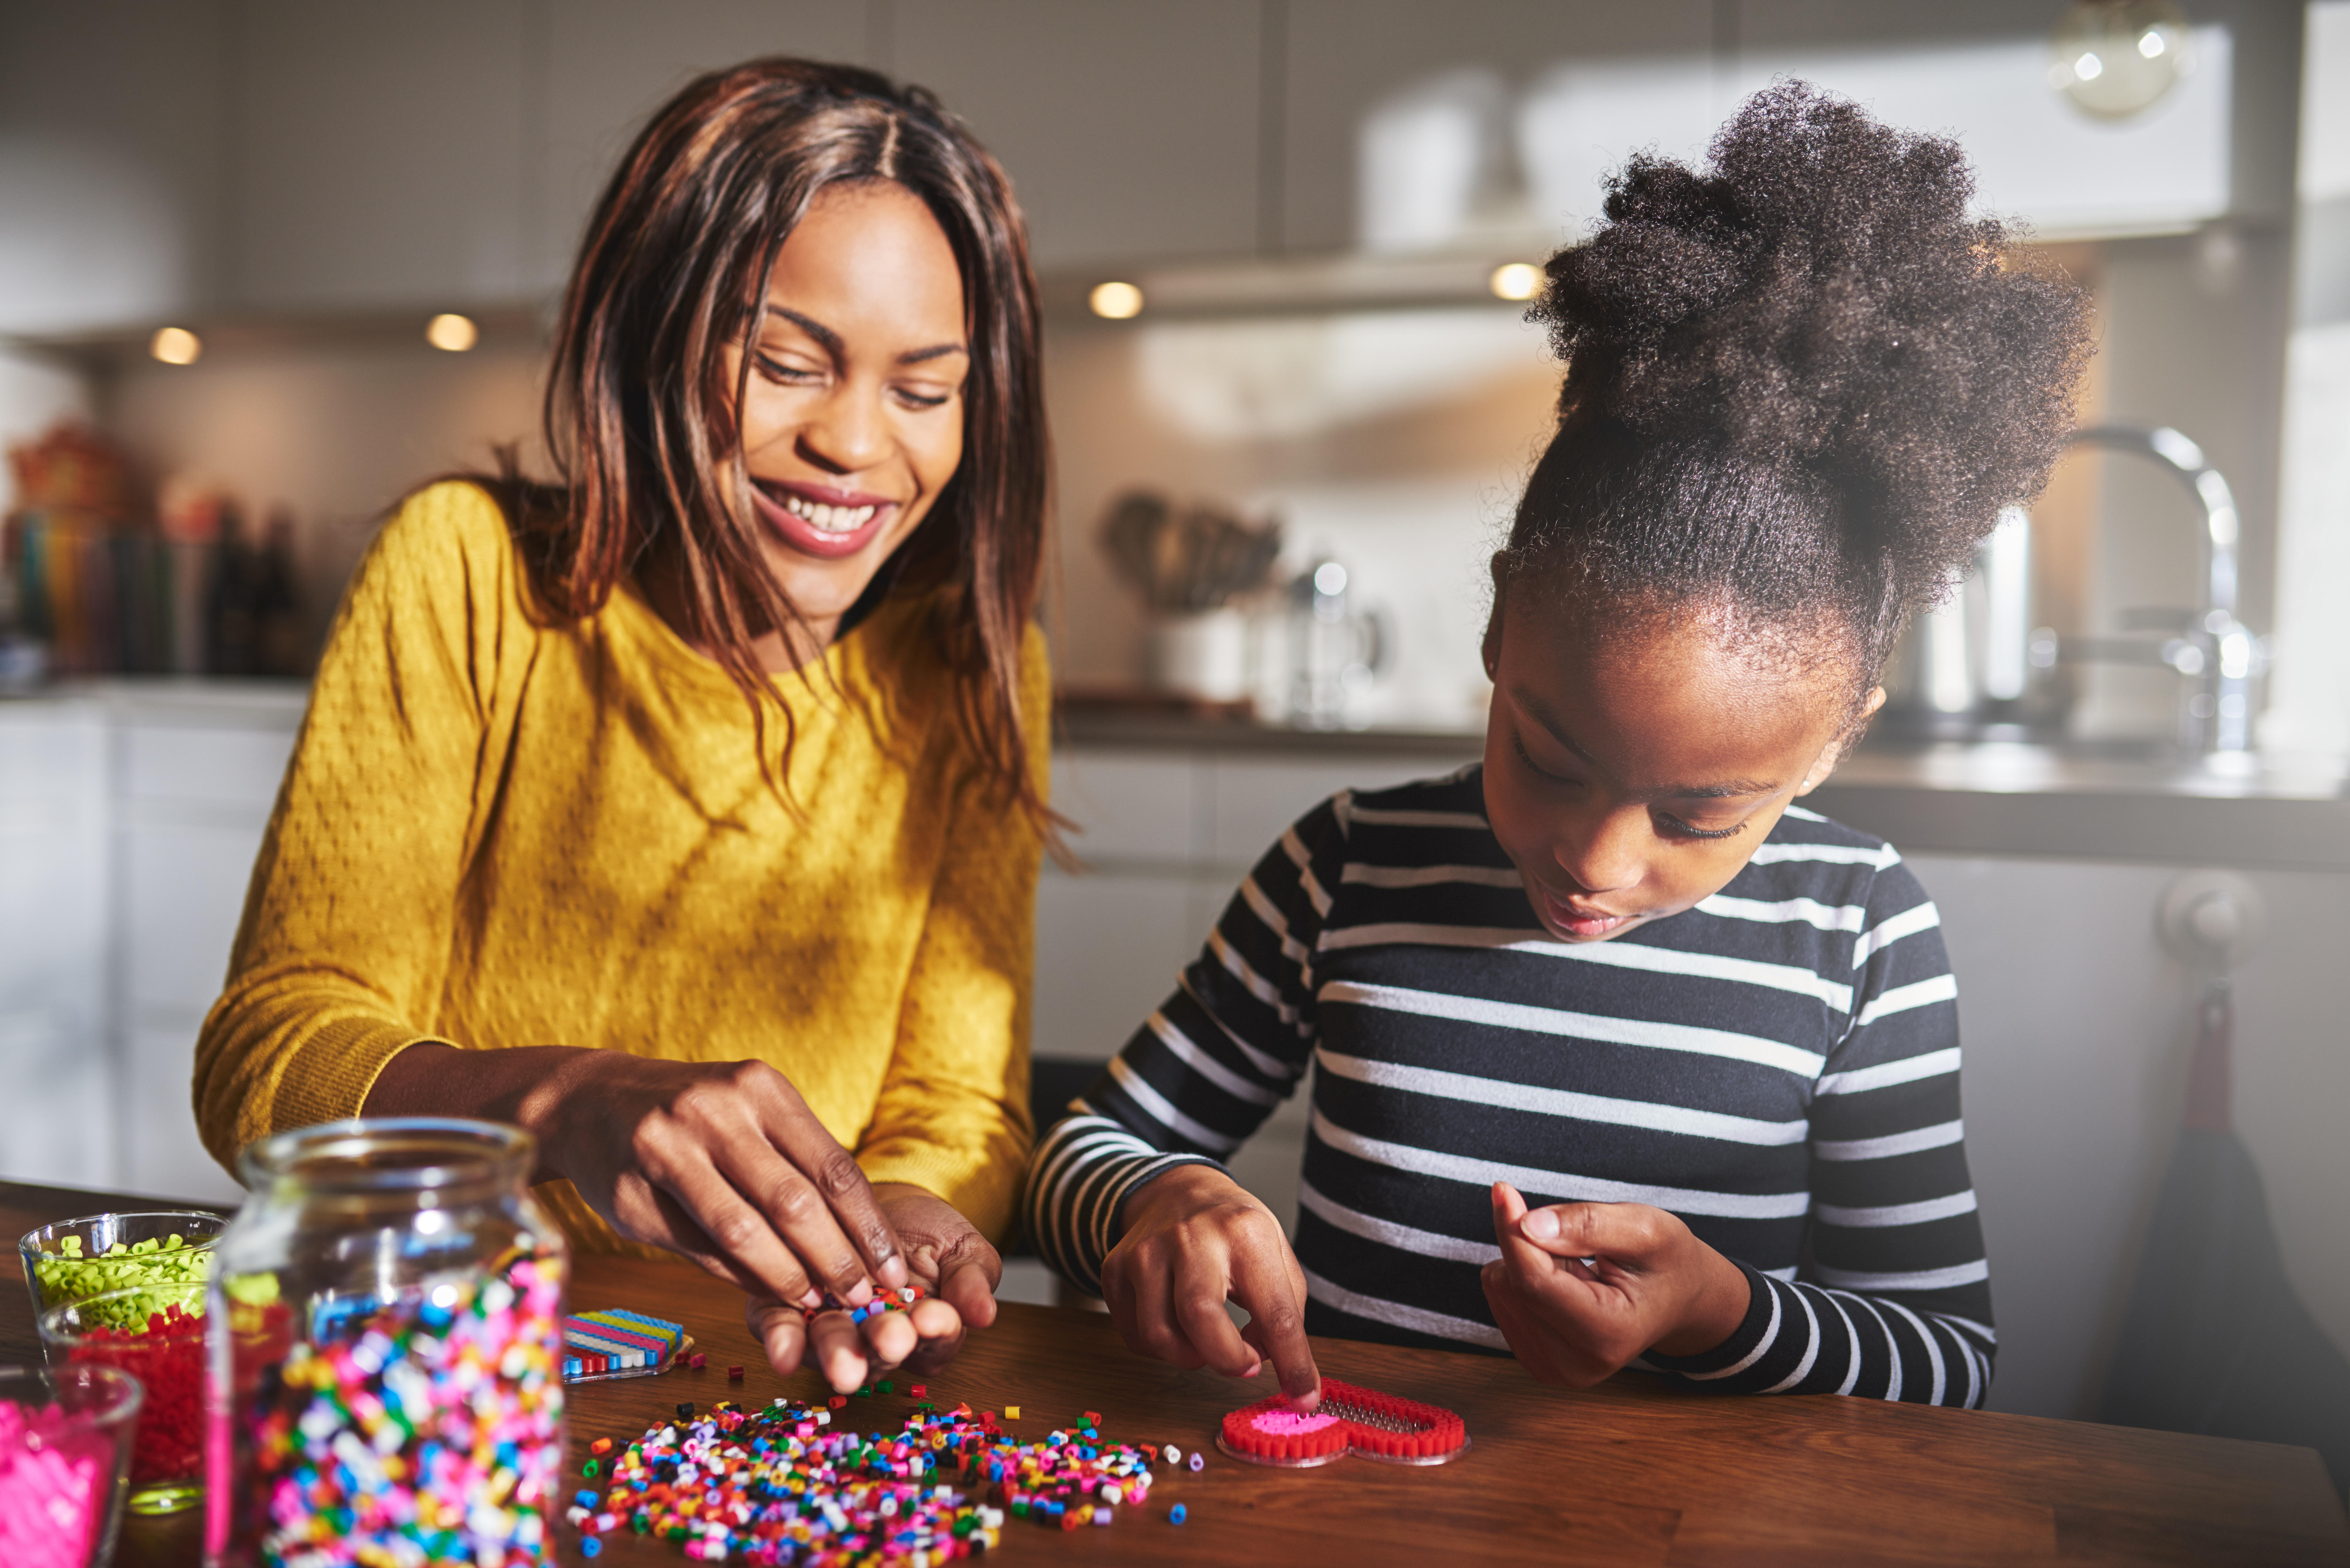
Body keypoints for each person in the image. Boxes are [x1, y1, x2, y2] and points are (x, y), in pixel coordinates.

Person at [1023, 83, 2093, 1410]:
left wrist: (1719, 1312)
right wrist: (1157, 1194)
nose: (1593, 859)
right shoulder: (1344, 867)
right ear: (1495, 637)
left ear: (1832, 746)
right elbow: (1080, 1146)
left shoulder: (1858, 935)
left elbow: (1947, 1365)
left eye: (1698, 816)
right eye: (1547, 756)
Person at [194, 58, 1053, 1394]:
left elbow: (956, 1106)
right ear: (653, 333)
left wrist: (906, 1219)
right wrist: (562, 1100)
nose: (855, 443)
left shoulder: (972, 670)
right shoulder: (468, 570)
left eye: (924, 391)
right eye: (783, 364)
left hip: (772, 1390)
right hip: (434, 1382)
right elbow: (272, 1046)